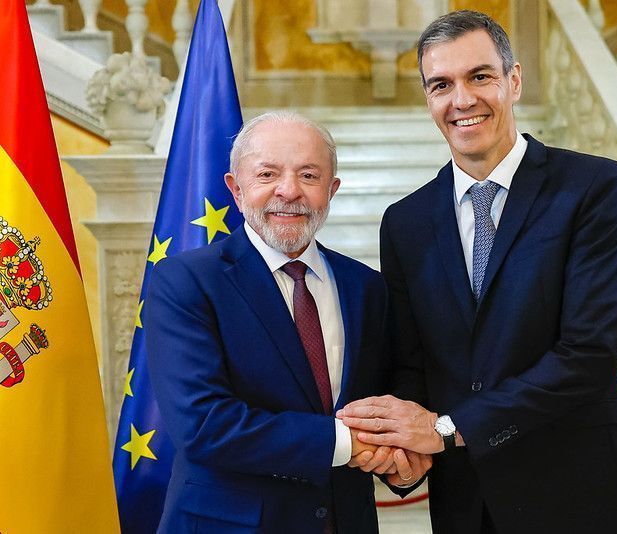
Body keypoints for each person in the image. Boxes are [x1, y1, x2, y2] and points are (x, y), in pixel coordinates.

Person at [338, 10, 617, 533]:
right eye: (441, 85)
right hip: (467, 502)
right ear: (428, 99)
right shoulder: (405, 222)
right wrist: (403, 453)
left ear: (513, 81)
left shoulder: (592, 187)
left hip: (580, 493)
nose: (462, 99)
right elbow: (413, 364)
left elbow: (587, 353)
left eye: (479, 76)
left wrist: (446, 430)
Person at [145, 111, 427, 533]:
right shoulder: (186, 281)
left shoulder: (366, 287)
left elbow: (389, 395)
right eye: (267, 174)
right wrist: (347, 443)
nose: (289, 191)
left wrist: (402, 460)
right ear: (236, 189)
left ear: (331, 190)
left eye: (309, 175)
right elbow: (203, 424)